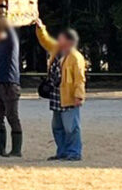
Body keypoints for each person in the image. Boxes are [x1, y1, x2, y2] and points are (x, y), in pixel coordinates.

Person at [35, 20, 86, 161]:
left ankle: (74, 152)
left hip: (69, 96)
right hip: (56, 95)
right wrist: (41, 28)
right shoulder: (56, 51)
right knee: (57, 127)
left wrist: (79, 96)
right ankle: (62, 151)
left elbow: (80, 79)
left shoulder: (76, 57)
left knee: (71, 127)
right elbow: (45, 41)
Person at [0, 21, 22, 157]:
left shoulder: (10, 44)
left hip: (10, 84)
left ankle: (16, 150)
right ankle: (0, 148)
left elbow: (12, 32)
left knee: (12, 116)